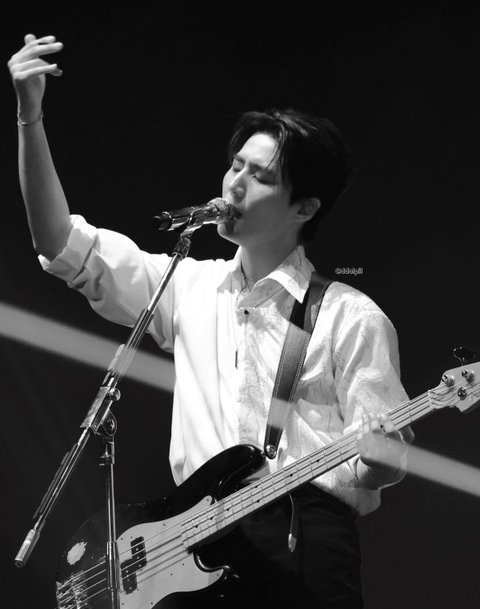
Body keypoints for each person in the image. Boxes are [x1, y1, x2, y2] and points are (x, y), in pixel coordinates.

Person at [9, 34, 413, 608]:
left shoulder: (350, 315)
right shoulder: (189, 286)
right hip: (200, 548)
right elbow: (59, 243)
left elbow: (380, 465)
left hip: (306, 547)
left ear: (305, 207)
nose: (235, 184)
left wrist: (380, 461)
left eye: (261, 176)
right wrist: (30, 117)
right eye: (235, 165)